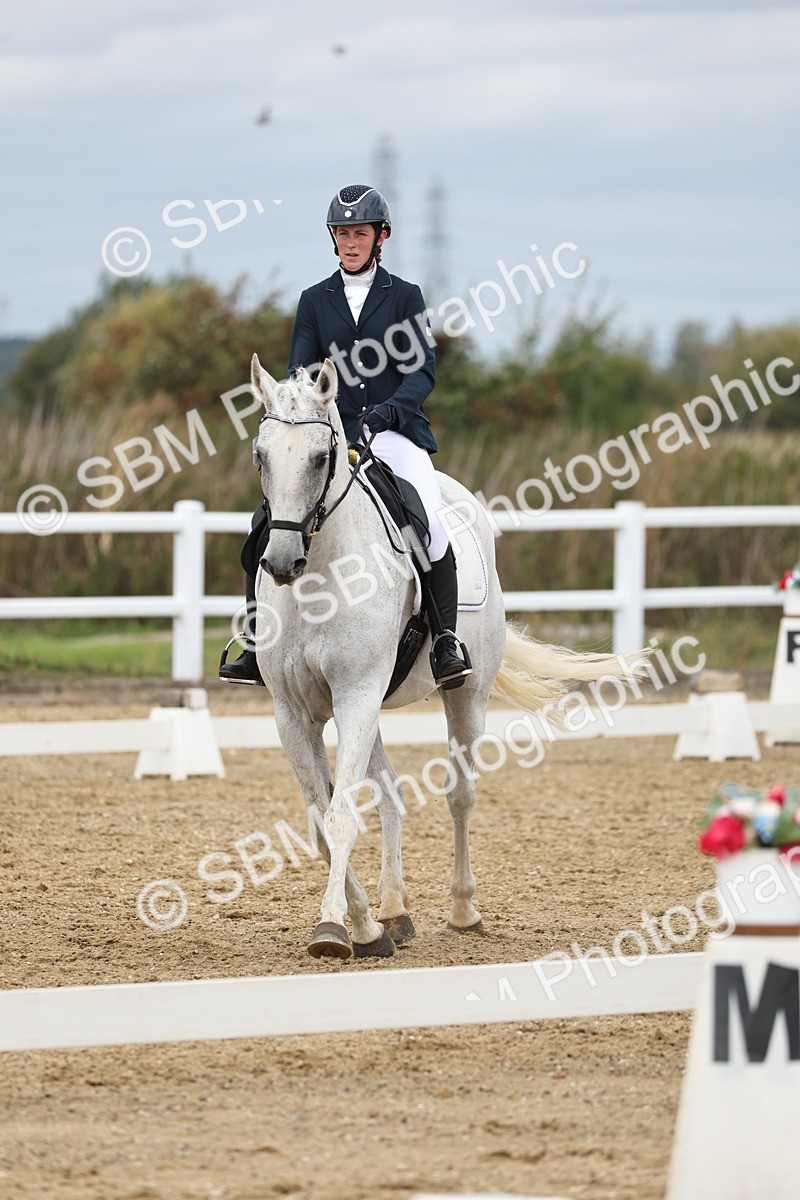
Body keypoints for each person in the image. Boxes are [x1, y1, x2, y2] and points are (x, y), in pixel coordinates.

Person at [220, 183, 471, 690]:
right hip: (329, 435)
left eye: (360, 233)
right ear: (333, 239)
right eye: (342, 233)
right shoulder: (315, 300)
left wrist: (389, 411)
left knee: (430, 518)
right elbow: (300, 368)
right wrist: (304, 405)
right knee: (265, 519)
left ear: (380, 237)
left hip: (394, 432)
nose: (350, 242)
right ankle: (255, 638)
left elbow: (421, 370)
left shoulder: (404, 296)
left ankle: (445, 639)